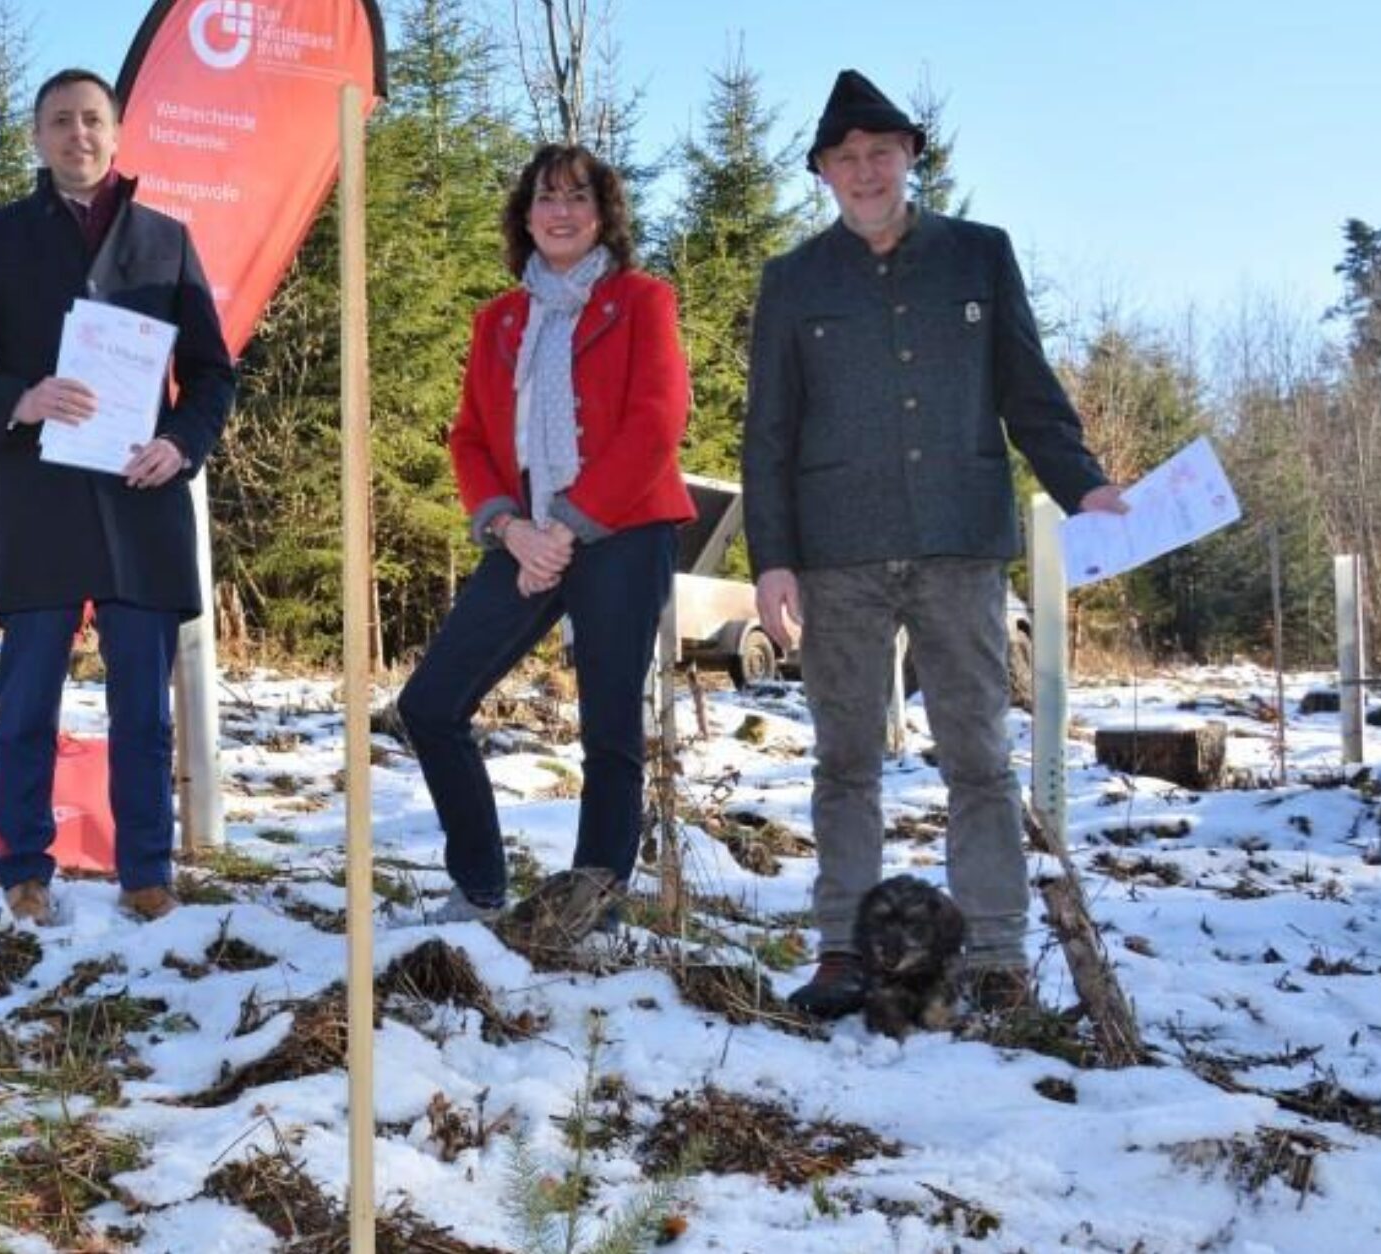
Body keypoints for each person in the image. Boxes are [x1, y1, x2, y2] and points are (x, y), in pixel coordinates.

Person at [743, 69, 1129, 1019]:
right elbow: (770, 435)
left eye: (881, 154)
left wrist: (1084, 486)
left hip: (961, 541)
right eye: (846, 159)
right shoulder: (794, 282)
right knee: (844, 761)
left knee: (978, 756)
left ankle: (995, 952)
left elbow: (1028, 394)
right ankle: (843, 949)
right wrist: (773, 556)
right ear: (824, 174)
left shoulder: (980, 258)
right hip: (839, 550)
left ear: (911, 157)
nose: (865, 172)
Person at [0, 68, 236, 926]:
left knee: (142, 708)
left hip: (141, 496)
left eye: (92, 120)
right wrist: (17, 399)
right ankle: (23, 867)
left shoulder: (167, 240)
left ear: (118, 130)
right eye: (60, 121)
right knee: (25, 703)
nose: (78, 135)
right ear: (37, 136)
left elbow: (211, 373)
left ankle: (146, 872)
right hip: (39, 500)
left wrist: (182, 442)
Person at [395, 144, 695, 924]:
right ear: (525, 216)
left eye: (578, 199)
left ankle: (592, 904)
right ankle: (481, 888)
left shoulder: (641, 301)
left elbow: (655, 424)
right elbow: (469, 439)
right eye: (547, 199)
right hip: (524, 536)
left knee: (609, 727)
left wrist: (563, 525)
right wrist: (507, 526)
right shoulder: (497, 321)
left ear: (604, 217)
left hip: (625, 530)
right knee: (430, 703)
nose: (561, 213)